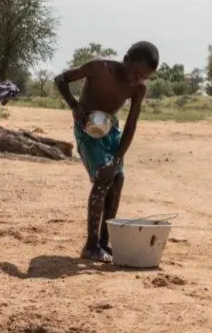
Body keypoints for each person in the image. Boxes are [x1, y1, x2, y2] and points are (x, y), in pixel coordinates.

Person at [54, 43, 160, 263]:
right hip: (87, 128)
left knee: (117, 178)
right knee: (103, 176)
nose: (137, 79)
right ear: (127, 58)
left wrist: (119, 157)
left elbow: (131, 125)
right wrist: (74, 106)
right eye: (136, 72)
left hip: (110, 130)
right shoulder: (98, 68)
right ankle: (91, 245)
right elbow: (60, 80)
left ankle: (104, 241)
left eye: (144, 77)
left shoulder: (138, 88)